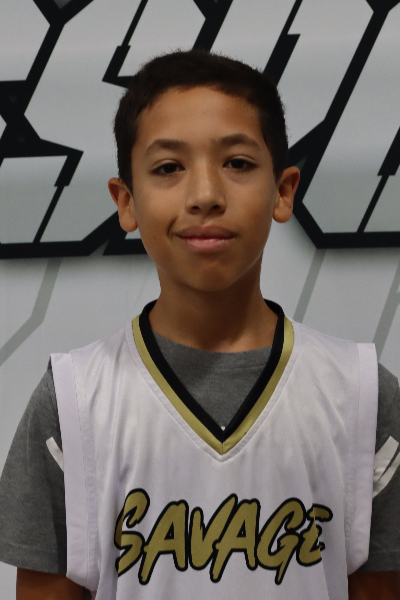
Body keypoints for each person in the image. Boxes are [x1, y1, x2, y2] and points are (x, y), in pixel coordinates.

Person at [0, 50, 399, 600]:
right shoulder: (72, 401)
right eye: (168, 168)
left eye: (237, 163)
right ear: (126, 201)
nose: (206, 195)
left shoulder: (362, 394)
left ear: (283, 190)